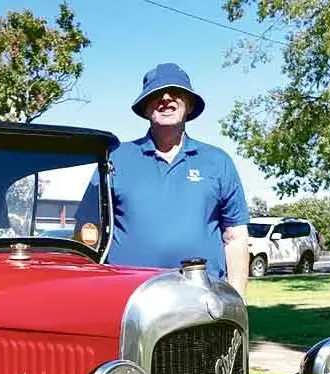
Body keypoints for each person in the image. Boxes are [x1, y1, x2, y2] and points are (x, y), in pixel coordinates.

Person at [75, 63, 250, 297]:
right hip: (127, 298)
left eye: (176, 92)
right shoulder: (113, 159)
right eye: (156, 94)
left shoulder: (217, 161)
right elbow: (87, 235)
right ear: (145, 108)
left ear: (189, 105)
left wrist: (236, 299)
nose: (166, 98)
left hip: (203, 298)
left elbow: (235, 236)